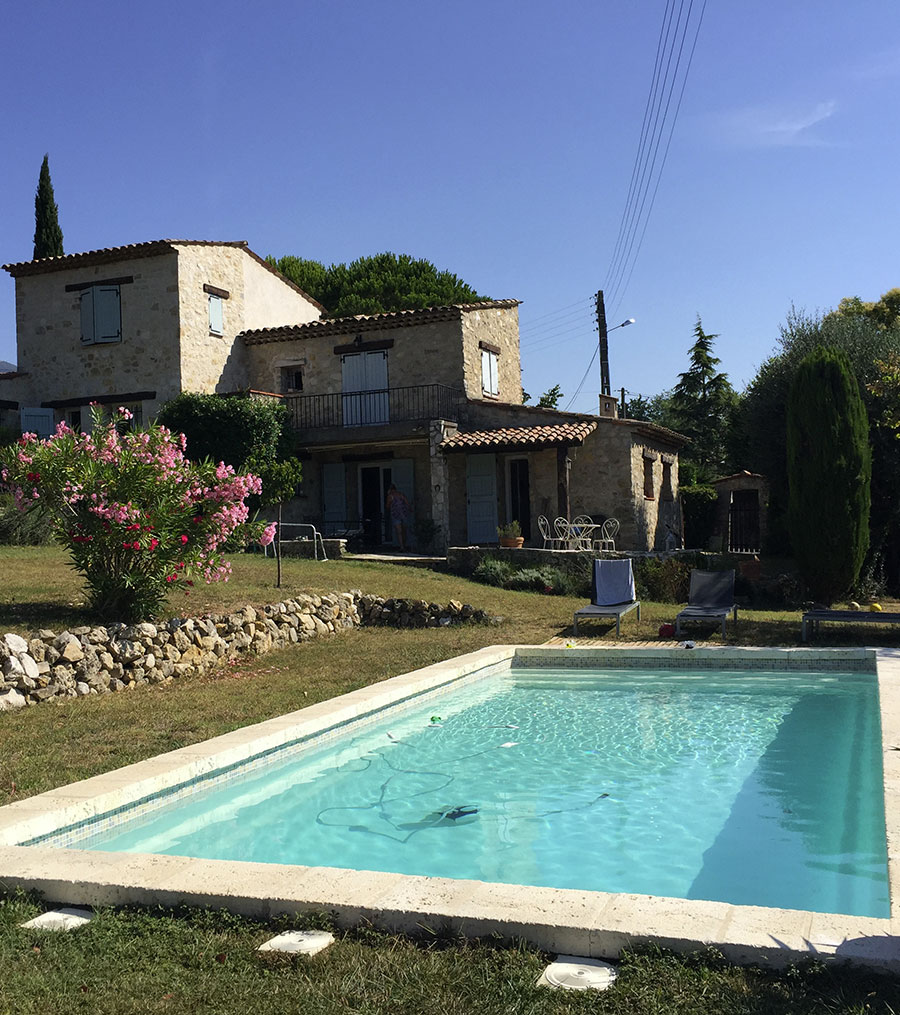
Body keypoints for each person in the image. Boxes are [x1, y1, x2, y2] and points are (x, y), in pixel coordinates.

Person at [385, 483, 411, 551]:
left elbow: (387, 506)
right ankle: (404, 545)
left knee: (399, 531)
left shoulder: (390, 496)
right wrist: (410, 509)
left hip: (395, 515)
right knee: (404, 530)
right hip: (404, 514)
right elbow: (407, 503)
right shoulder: (401, 494)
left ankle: (401, 546)